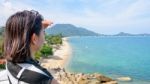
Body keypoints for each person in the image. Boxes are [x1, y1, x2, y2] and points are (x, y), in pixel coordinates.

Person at [3, 10, 59, 84]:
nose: (44, 35)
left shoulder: (10, 61)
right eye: (44, 32)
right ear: (34, 39)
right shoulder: (43, 78)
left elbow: (19, 33)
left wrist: (39, 28)